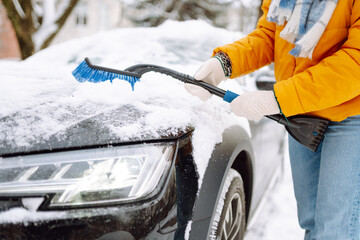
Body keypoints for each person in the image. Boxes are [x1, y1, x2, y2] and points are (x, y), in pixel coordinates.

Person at [185, 0, 360, 239]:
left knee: (335, 230)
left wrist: (277, 99)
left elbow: (356, 61)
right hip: (302, 116)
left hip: (350, 118)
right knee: (311, 222)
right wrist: (224, 63)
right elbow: (271, 36)